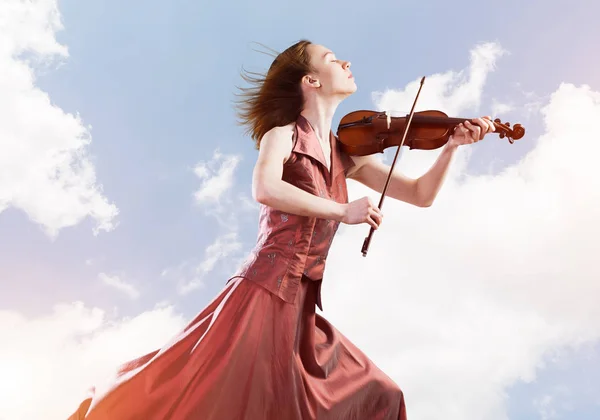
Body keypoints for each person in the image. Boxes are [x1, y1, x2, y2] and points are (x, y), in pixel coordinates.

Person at [68, 39, 495, 420]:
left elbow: (420, 194)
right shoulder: (284, 134)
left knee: (381, 395)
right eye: (331, 58)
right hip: (264, 291)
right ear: (311, 80)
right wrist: (341, 209)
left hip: (303, 307)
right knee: (198, 394)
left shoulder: (348, 154)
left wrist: (452, 148)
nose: (345, 60)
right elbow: (265, 187)